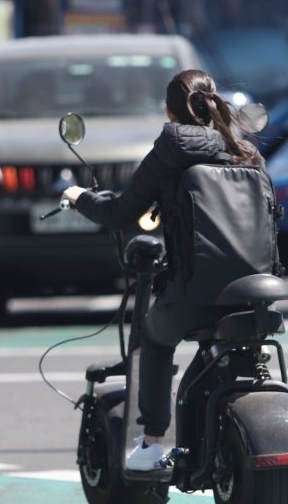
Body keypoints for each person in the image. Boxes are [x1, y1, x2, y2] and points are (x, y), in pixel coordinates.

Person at [61, 69, 265, 472]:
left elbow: (120, 212)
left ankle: (154, 443)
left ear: (171, 111)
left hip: (196, 292)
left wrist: (80, 196)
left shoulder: (171, 148)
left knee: (154, 339)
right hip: (257, 292)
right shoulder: (245, 151)